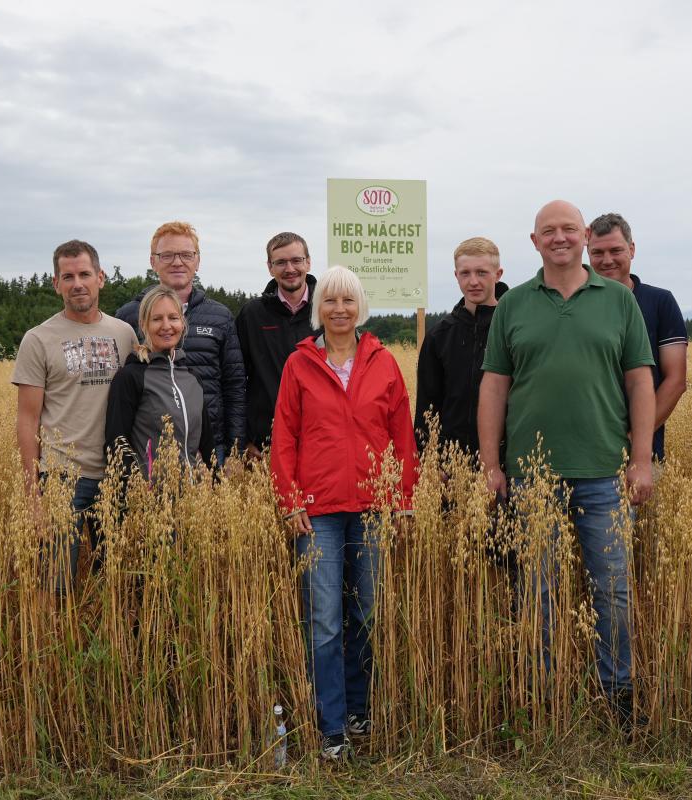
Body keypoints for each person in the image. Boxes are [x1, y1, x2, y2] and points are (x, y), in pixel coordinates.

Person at [478, 200, 655, 725]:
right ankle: (541, 693)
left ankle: (617, 694)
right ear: (533, 242)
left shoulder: (620, 302)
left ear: (583, 237)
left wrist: (640, 459)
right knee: (537, 588)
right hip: (532, 476)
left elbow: (640, 380)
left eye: (568, 229)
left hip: (603, 469)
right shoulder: (513, 306)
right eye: (547, 231)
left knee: (613, 588)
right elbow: (494, 385)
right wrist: (492, 464)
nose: (559, 237)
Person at [270, 265, 418, 762]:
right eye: (330, 301)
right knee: (324, 620)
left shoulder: (383, 361)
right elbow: (284, 437)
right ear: (319, 309)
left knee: (366, 614)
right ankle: (330, 727)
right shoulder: (300, 364)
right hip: (319, 512)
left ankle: (359, 710)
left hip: (373, 508)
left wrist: (402, 500)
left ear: (361, 308)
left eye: (348, 301)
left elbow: (403, 438)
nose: (339, 309)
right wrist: (289, 500)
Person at [12, 240, 138, 595]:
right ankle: (56, 646)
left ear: (101, 278)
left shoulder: (124, 334)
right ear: (56, 284)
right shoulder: (38, 339)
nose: (77, 283)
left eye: (85, 274)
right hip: (61, 477)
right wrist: (31, 493)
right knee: (55, 584)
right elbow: (27, 419)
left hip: (114, 477)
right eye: (68, 277)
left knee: (113, 584)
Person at [116, 221, 246, 466]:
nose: (177, 262)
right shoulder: (128, 317)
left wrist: (234, 448)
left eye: (186, 255)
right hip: (149, 456)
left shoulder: (220, 317)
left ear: (197, 261)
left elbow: (234, 385)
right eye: (167, 255)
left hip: (210, 449)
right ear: (153, 261)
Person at [587, 213, 688, 462]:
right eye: (597, 253)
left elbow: (675, 381)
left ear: (632, 250)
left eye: (615, 250)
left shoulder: (660, 302)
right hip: (584, 455)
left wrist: (635, 438)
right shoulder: (574, 303)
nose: (607, 260)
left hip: (643, 455)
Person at [104, 285, 215, 485]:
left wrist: (217, 488)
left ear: (182, 322)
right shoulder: (131, 376)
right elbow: (116, 443)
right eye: (157, 319)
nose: (166, 326)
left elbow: (207, 445)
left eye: (173, 318)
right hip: (150, 504)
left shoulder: (192, 378)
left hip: (194, 503)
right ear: (143, 324)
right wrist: (136, 494)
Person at [414, 236, 508, 455]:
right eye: (465, 273)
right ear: (456, 276)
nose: (473, 281)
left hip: (508, 466)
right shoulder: (440, 335)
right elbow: (427, 405)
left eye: (482, 272)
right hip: (452, 465)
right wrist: (432, 460)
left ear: (498, 274)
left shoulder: (514, 329)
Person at [234, 232, 317, 459]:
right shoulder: (252, 315)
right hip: (264, 444)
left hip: (320, 441)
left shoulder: (327, 311)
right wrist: (245, 439)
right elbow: (236, 381)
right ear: (270, 267)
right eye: (280, 262)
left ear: (308, 262)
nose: (289, 268)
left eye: (296, 260)